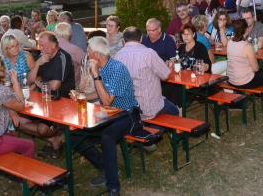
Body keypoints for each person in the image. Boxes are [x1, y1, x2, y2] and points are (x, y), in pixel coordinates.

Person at [73, 36, 138, 196]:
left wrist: (95, 74)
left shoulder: (116, 68)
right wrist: (80, 97)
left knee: (107, 137)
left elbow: (107, 100)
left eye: (88, 50)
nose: (86, 52)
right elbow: (98, 92)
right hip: (107, 114)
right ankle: (105, 166)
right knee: (74, 135)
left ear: (96, 54)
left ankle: (113, 186)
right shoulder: (101, 67)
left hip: (127, 114)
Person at [114, 27, 179, 121]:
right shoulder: (149, 53)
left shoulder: (117, 55)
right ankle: (159, 132)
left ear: (123, 41)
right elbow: (166, 76)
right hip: (149, 108)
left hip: (127, 108)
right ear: (141, 38)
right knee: (175, 110)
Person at [27, 31, 75, 99]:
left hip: (62, 99)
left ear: (53, 45)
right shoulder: (42, 56)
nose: (40, 48)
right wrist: (37, 63)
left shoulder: (63, 57)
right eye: (39, 45)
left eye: (42, 45)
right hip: (44, 96)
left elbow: (54, 86)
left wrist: (39, 82)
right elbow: (29, 80)